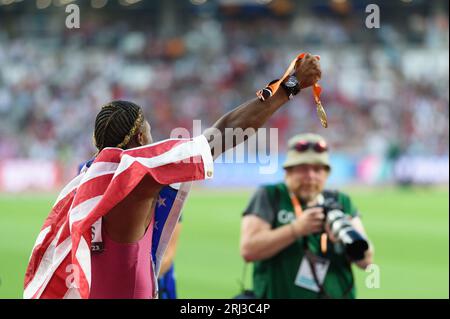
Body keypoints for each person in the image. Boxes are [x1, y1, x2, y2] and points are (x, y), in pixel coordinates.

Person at [24, 53, 322, 299]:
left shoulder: (83, 183)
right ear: (141, 137)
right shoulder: (138, 179)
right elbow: (224, 132)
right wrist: (290, 86)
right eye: (150, 130)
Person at [240, 133, 374, 299]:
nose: (310, 176)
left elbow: (367, 261)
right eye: (303, 168)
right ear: (288, 172)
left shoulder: (340, 201)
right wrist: (297, 229)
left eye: (317, 169)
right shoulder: (271, 196)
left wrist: (342, 241)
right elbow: (249, 250)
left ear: (326, 174)